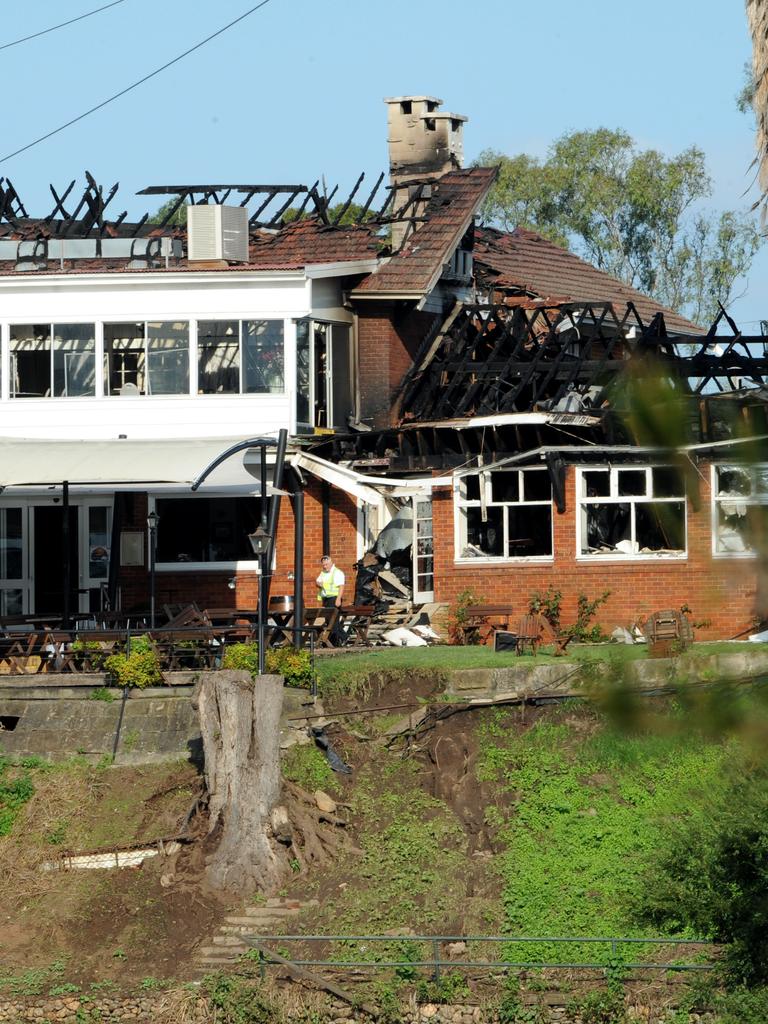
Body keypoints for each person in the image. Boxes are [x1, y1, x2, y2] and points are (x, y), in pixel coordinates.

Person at [316, 554, 346, 646]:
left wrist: (338, 599)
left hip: (334, 599)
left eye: (326, 565)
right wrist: (318, 583)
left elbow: (341, 586)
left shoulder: (337, 572)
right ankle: (334, 641)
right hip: (326, 599)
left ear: (331, 563)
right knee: (329, 621)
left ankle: (343, 637)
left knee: (333, 621)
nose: (325, 566)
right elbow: (318, 581)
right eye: (323, 565)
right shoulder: (323, 572)